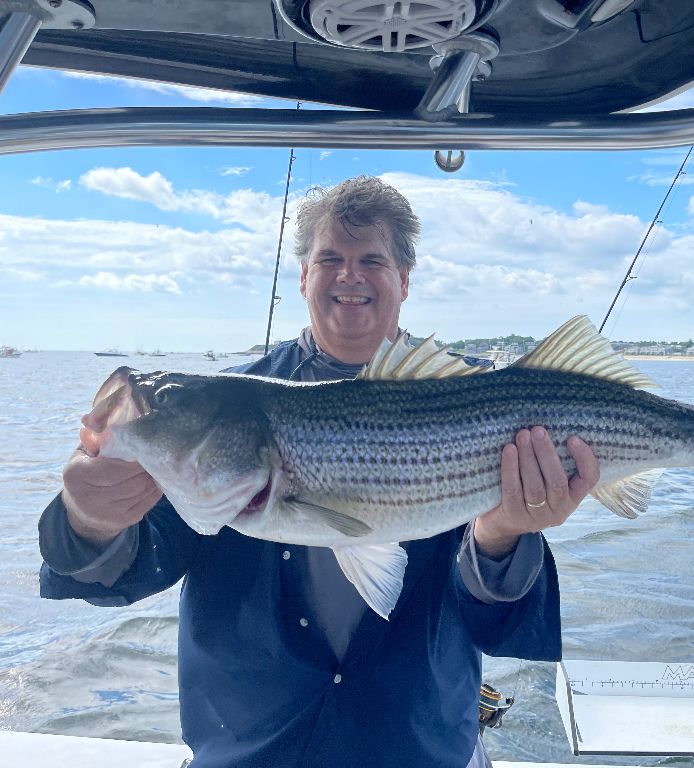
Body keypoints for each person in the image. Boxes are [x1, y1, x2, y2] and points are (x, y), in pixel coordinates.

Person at [38, 175, 601, 768]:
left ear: (405, 280)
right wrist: (90, 520)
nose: (349, 275)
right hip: (252, 750)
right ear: (304, 276)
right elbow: (123, 571)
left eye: (372, 260)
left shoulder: (480, 397)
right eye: (330, 258)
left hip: (419, 746)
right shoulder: (230, 405)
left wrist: (503, 534)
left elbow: (501, 624)